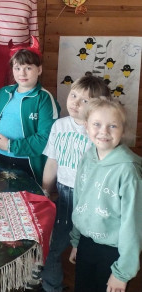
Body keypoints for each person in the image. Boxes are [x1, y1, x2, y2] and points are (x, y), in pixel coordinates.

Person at [40, 73, 111, 292]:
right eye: (73, 96)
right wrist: (45, 191)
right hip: (63, 195)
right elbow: (52, 162)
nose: (76, 103)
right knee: (51, 246)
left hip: (88, 199)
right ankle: (52, 286)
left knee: (83, 250)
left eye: (85, 100)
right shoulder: (59, 126)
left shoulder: (99, 132)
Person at [69, 98, 142, 292]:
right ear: (86, 126)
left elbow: (133, 225)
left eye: (113, 126)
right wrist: (76, 241)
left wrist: (122, 273)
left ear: (123, 130)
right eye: (97, 124)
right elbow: (79, 201)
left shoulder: (129, 171)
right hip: (86, 243)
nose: (104, 131)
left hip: (114, 251)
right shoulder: (87, 157)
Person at [0, 44, 59, 184]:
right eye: (17, 68)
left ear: (39, 70)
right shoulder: (4, 92)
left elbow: (45, 138)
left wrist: (10, 146)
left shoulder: (44, 99)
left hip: (25, 163)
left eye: (28, 68)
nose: (22, 74)